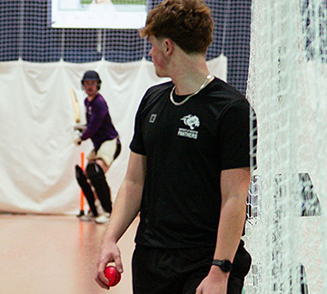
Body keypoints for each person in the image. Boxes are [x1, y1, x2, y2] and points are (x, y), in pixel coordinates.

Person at [93, 0, 253, 293]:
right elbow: (133, 181)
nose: (150, 53)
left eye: (152, 45)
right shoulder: (152, 100)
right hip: (151, 260)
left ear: (167, 46)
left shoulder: (232, 109)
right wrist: (109, 240)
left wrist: (220, 271)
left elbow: (234, 197)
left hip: (204, 265)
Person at [73, 70, 120, 224]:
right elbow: (92, 125)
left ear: (98, 85)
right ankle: (93, 211)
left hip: (110, 142)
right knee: (84, 175)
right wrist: (82, 128)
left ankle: (108, 212)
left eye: (93, 83)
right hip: (100, 145)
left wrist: (82, 136)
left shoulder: (99, 102)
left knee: (95, 172)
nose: (90, 86)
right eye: (87, 83)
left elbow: (95, 125)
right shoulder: (88, 102)